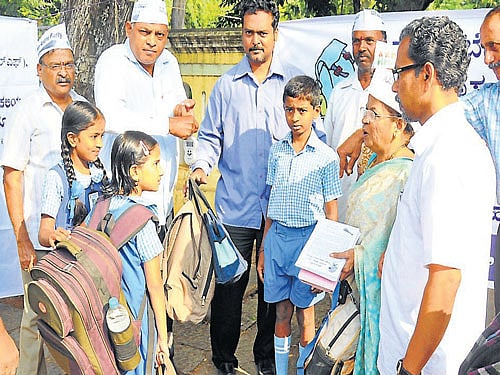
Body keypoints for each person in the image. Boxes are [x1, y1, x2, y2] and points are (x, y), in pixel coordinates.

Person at [189, 1, 310, 373]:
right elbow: (210, 136)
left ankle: (265, 359)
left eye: (262, 32)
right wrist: (199, 165)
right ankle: (224, 360)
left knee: (272, 290)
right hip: (235, 207)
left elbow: (309, 135)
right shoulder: (226, 85)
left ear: (276, 33)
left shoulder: (292, 83)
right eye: (248, 32)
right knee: (229, 290)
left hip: (280, 208)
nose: (254, 40)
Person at [378, 16, 495, 375]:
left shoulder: (448, 155)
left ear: (426, 75)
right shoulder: (440, 145)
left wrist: (408, 370)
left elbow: (445, 281)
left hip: (427, 364)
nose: (394, 87)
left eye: (399, 73)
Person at [94, 0, 199, 355]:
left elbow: (170, 105)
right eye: (145, 33)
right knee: (127, 290)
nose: (152, 42)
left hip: (160, 196)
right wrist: (167, 123)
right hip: (124, 201)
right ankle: (127, 355)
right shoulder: (111, 62)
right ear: (128, 29)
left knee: (158, 284)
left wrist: (178, 110)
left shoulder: (169, 63)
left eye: (160, 34)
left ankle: (160, 351)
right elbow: (111, 115)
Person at [0, 23, 85, 375]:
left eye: (68, 64)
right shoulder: (28, 112)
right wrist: (22, 237)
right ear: (39, 70)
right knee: (37, 317)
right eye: (55, 65)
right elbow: (12, 175)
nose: (64, 72)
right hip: (38, 236)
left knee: (80, 316)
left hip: (77, 237)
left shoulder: (83, 108)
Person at [257, 75, 341, 375]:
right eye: (289, 110)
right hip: (278, 239)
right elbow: (270, 204)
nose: (295, 117)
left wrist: (327, 261)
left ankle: (306, 368)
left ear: (316, 110)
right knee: (281, 310)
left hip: (309, 241)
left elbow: (332, 212)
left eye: (302, 110)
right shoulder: (276, 152)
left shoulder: (326, 158)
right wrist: (264, 250)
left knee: (306, 314)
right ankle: (282, 370)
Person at [332, 71, 415, 375]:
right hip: (352, 289)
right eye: (364, 112)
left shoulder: (406, 174)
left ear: (399, 124)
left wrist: (360, 257)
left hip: (380, 298)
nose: (364, 121)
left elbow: (396, 244)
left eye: (373, 114)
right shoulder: (373, 161)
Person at [86, 130, 169, 374]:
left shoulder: (100, 205)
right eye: (155, 163)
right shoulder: (142, 222)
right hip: (135, 326)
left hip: (102, 320)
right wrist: (163, 341)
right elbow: (155, 287)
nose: (161, 170)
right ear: (134, 172)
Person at [322, 9, 387, 221]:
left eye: (370, 40)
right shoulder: (339, 93)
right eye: (357, 41)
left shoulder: (394, 92)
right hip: (340, 202)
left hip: (380, 204)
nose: (362, 48)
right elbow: (329, 150)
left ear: (383, 43)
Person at [461, 6, 500, 314]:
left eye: (494, 48)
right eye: (484, 48)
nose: (486, 59)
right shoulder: (487, 101)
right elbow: (440, 117)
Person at [38, 101, 107, 248]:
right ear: (73, 139)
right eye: (94, 137)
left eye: (102, 136)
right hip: (70, 264)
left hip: (97, 262)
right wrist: (53, 235)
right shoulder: (56, 177)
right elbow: (44, 232)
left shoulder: (99, 173)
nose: (100, 143)